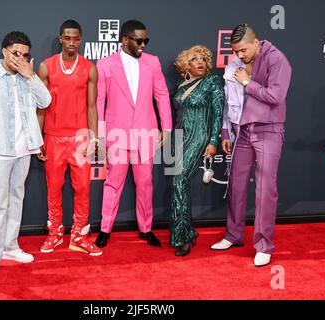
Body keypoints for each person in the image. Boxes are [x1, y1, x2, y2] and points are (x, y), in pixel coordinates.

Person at [0, 31, 51, 280]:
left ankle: (10, 247)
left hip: (24, 150)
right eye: (16, 53)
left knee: (17, 197)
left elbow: (46, 101)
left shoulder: (28, 78)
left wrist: (32, 76)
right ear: (4, 51)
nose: (20, 59)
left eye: (25, 55)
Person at [211, 24, 292, 267]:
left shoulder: (277, 60)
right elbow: (229, 100)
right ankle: (233, 235)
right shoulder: (235, 63)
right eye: (236, 51)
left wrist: (248, 82)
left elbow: (276, 97)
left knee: (265, 189)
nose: (240, 55)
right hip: (241, 130)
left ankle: (264, 245)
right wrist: (226, 130)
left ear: (256, 42)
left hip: (268, 130)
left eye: (243, 50)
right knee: (236, 185)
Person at [95, 20, 172, 248]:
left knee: (146, 183)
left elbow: (162, 95)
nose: (143, 45)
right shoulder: (105, 64)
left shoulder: (153, 62)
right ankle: (105, 229)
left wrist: (166, 127)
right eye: (138, 40)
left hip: (146, 132)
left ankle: (146, 228)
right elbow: (99, 99)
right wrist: (100, 132)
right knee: (113, 183)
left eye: (146, 40)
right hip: (116, 134)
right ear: (124, 40)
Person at [37, 20, 102, 256]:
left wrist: (94, 138)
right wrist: (38, 139)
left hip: (80, 138)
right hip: (53, 137)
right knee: (53, 187)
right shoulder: (46, 67)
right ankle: (54, 233)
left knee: (83, 187)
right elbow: (41, 107)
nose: (71, 42)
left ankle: (79, 236)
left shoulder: (89, 68)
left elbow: (92, 106)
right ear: (61, 38)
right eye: (67, 37)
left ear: (81, 39)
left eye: (75, 38)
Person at [169, 45, 224, 256]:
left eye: (203, 59)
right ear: (186, 65)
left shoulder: (211, 82)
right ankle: (184, 231)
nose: (200, 62)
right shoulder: (181, 86)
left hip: (199, 137)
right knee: (177, 185)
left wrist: (213, 141)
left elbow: (218, 113)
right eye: (194, 59)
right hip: (179, 139)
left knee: (179, 180)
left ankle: (183, 236)